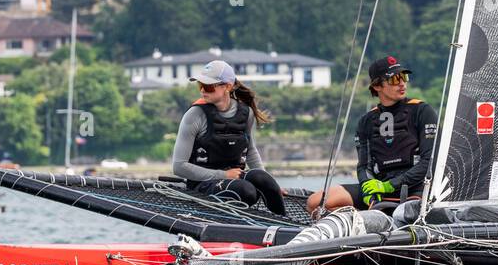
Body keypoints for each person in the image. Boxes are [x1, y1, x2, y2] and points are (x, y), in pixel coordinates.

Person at [308, 55, 437, 215]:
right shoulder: (366, 121)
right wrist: (369, 189)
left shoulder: (422, 110)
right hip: (378, 188)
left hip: (413, 188)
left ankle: (373, 217)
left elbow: (428, 163)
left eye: (404, 77)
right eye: (394, 79)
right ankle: (359, 220)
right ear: (377, 86)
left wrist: (390, 185)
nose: (402, 83)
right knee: (315, 202)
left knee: (406, 214)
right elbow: (363, 166)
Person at [172, 59, 286, 216]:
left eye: (208, 86)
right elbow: (178, 166)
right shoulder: (194, 116)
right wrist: (223, 175)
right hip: (203, 184)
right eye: (200, 85)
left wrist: (272, 188)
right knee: (247, 191)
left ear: (227, 86)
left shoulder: (246, 113)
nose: (202, 91)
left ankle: (286, 226)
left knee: (264, 179)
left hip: (234, 178)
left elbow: (250, 151)